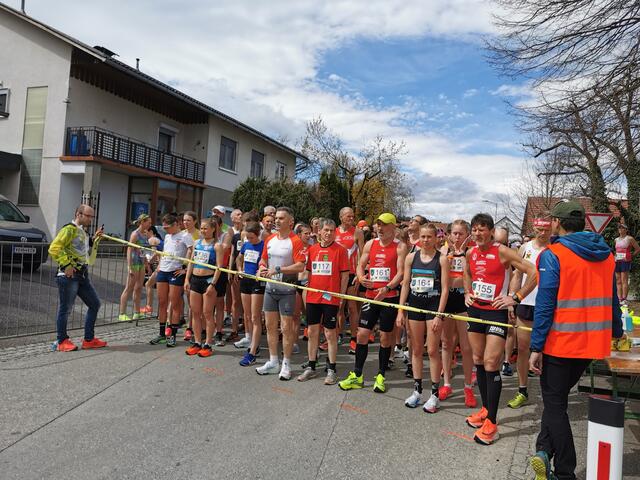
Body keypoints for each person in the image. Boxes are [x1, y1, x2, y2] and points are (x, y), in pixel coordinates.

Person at [528, 200, 622, 480]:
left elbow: (545, 305)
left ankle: (565, 471)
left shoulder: (552, 255)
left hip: (561, 343)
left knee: (556, 406)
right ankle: (544, 449)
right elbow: (612, 299)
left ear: (557, 223)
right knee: (555, 401)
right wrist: (616, 332)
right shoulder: (606, 256)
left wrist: (536, 346)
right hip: (591, 344)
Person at [463, 213, 537, 445]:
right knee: (477, 358)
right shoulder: (470, 252)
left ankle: (492, 423)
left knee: (491, 363)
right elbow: (467, 273)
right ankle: (485, 410)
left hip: (496, 312)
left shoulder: (502, 251)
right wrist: (467, 292)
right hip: (476, 310)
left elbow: (533, 273)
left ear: (491, 231)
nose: (478, 233)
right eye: (474, 229)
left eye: (482, 229)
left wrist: (515, 297)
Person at [339, 212, 407, 394]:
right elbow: (361, 265)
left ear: (393, 227)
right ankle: (357, 375)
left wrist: (387, 288)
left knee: (385, 338)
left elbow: (401, 273)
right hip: (370, 296)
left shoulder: (400, 247)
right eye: (378, 224)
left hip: (388, 297)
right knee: (362, 334)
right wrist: (361, 277)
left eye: (384, 225)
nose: (380, 228)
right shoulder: (370, 244)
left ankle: (380, 375)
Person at [397, 224, 450, 411]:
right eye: (423, 237)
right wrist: (401, 310)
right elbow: (405, 285)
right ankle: (417, 391)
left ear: (436, 238)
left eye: (429, 237)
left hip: (433, 307)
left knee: (433, 350)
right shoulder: (411, 257)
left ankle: (434, 394)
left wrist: (439, 315)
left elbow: (445, 289)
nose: (426, 240)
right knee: (416, 350)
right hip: (415, 306)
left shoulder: (442, 259)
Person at [297, 218, 349, 384]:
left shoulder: (341, 250)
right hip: (313, 297)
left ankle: (332, 368)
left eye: (332, 231)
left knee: (330, 333)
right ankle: (311, 366)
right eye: (326, 230)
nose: (328, 233)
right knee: (312, 332)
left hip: (330, 298)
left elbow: (345, 275)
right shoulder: (312, 250)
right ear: (319, 231)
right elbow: (308, 273)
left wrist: (340, 297)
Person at [256, 206, 306, 380]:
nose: (277, 220)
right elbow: (263, 259)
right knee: (270, 327)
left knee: (286, 328)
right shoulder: (269, 239)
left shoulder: (296, 241)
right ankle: (273, 361)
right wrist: (261, 268)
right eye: (276, 218)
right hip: (270, 289)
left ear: (290, 222)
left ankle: (286, 363)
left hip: (287, 290)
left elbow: (300, 266)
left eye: (281, 218)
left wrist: (278, 269)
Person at [48, 204, 107, 351]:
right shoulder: (69, 229)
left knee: (95, 304)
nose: (91, 219)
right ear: (78, 214)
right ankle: (62, 341)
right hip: (69, 276)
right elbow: (54, 247)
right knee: (66, 309)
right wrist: (66, 265)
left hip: (82, 275)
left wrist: (95, 238)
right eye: (88, 216)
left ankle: (88, 339)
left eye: (92, 216)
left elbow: (83, 250)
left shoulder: (83, 232)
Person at [507, 218, 551, 409]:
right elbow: (517, 275)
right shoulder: (525, 247)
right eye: (539, 229)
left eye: (546, 229)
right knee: (523, 350)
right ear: (534, 228)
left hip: (547, 306)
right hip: (525, 303)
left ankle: (549, 393)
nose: (542, 233)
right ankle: (522, 390)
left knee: (548, 352)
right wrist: (511, 300)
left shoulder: (554, 249)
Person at [440, 219, 477, 407]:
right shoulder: (443, 251)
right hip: (447, 300)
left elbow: (470, 272)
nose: (457, 237)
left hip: (464, 299)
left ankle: (468, 387)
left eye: (461, 233)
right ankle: (446, 383)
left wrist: (461, 254)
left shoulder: (470, 252)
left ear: (467, 235)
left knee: (467, 346)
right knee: (446, 343)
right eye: (454, 233)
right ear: (448, 234)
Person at [149, 214, 194, 347]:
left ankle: (173, 335)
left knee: (175, 304)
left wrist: (185, 269)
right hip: (163, 270)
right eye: (164, 228)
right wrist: (158, 266)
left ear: (176, 225)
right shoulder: (168, 236)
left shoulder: (185, 236)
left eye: (168, 228)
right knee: (162, 302)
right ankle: (162, 334)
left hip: (176, 272)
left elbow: (192, 252)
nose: (166, 230)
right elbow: (164, 252)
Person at [183, 218, 223, 357]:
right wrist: (187, 279)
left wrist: (213, 284)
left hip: (208, 281)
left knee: (207, 314)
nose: (203, 231)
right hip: (195, 280)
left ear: (213, 229)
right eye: (202, 228)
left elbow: (219, 267)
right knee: (195, 313)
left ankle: (208, 344)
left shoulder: (217, 245)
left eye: (206, 228)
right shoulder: (197, 243)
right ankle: (197, 342)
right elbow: (191, 263)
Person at [335, 207, 365, 354]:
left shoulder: (358, 232)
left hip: (352, 274)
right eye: (348, 216)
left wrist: (360, 274)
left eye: (353, 216)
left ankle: (354, 339)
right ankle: (337, 335)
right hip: (336, 275)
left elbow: (363, 255)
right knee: (338, 306)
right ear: (341, 217)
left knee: (352, 307)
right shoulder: (333, 232)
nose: (351, 218)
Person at [237, 222, 266, 365]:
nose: (249, 240)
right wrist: (239, 268)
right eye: (247, 237)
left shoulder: (263, 245)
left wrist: (260, 271)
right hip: (245, 281)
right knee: (247, 315)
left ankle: (252, 351)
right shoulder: (246, 244)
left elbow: (265, 262)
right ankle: (251, 342)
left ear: (258, 234)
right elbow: (239, 258)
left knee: (255, 316)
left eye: (252, 237)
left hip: (257, 282)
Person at [118, 213, 152, 321]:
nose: (150, 224)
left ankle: (137, 312)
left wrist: (147, 264)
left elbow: (143, 249)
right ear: (142, 222)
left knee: (138, 288)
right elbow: (129, 249)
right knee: (129, 288)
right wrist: (129, 266)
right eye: (149, 222)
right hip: (134, 263)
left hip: (141, 263)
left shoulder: (145, 234)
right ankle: (122, 313)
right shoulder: (135, 234)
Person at [614, 223, 639, 304]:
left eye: (623, 228)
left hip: (625, 261)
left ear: (626, 230)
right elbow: (616, 250)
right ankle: (619, 298)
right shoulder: (616, 240)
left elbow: (638, 249)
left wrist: (631, 255)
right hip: (617, 261)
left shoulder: (630, 238)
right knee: (618, 280)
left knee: (624, 279)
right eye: (619, 228)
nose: (621, 230)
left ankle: (624, 298)